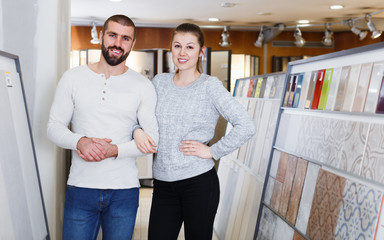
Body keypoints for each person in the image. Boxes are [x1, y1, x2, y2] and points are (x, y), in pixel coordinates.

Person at [133, 23, 256, 240]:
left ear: (201, 51)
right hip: (162, 183)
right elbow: (137, 117)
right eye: (178, 46)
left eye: (190, 47)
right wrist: (136, 130)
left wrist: (212, 151)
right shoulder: (159, 83)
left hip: (198, 184)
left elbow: (246, 125)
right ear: (171, 48)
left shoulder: (210, 86)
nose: (182, 53)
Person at [47, 14, 158, 240]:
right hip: (80, 187)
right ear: (101, 36)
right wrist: (79, 141)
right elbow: (54, 127)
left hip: (124, 191)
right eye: (112, 35)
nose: (118, 43)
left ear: (133, 44)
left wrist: (114, 150)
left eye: (126, 38)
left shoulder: (143, 86)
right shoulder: (73, 78)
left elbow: (152, 140)